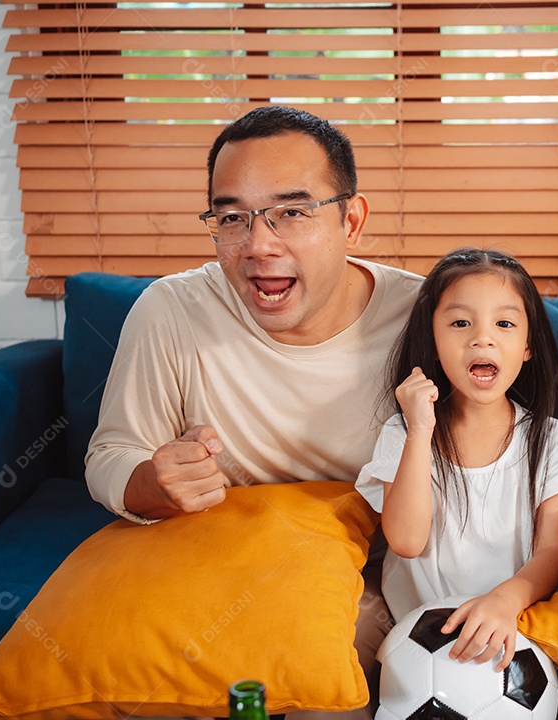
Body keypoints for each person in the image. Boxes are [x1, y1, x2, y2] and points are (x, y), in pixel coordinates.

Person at [85, 105, 423, 719]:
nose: (258, 245)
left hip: (360, 578)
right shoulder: (171, 310)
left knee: (323, 668)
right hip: (214, 564)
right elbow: (111, 456)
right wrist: (154, 481)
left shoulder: (425, 317)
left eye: (292, 212)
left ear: (351, 220)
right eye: (232, 218)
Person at [355, 248, 558, 671]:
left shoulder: (552, 441)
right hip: (415, 639)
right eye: (461, 323)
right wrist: (420, 429)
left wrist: (505, 600)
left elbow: (552, 552)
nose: (482, 339)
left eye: (504, 324)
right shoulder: (404, 432)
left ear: (528, 346)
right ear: (432, 343)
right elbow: (406, 541)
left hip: (512, 626)